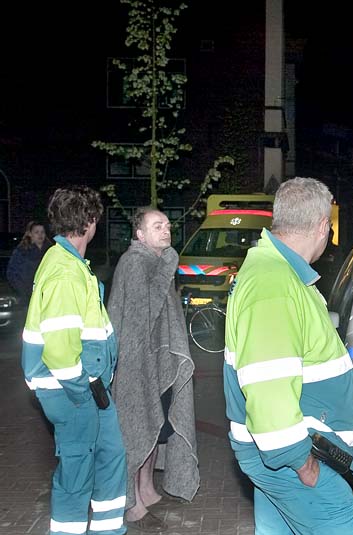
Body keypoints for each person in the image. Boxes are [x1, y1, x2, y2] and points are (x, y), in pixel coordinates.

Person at [224, 177, 353, 534]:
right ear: (323, 226)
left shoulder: (276, 272)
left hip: (282, 457)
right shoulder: (275, 286)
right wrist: (301, 463)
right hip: (291, 459)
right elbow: (268, 388)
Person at [20, 186, 127, 535]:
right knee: (77, 474)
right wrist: (84, 396)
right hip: (75, 392)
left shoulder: (69, 264)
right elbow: (61, 352)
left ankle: (109, 529)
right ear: (91, 222)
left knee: (110, 458)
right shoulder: (65, 273)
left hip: (90, 389)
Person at [108, 208, 199, 531]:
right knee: (136, 428)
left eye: (168, 224)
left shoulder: (156, 262)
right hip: (136, 365)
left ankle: (146, 488)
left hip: (156, 363)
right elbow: (142, 315)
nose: (166, 230)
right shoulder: (135, 263)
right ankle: (132, 503)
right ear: (140, 235)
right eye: (157, 226)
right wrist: (168, 265)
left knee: (156, 426)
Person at [6, 220, 52, 303]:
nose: (40, 235)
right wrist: (23, 291)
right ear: (30, 234)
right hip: (26, 298)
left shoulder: (51, 251)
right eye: (36, 232)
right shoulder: (21, 251)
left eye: (42, 232)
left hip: (47, 296)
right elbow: (11, 273)